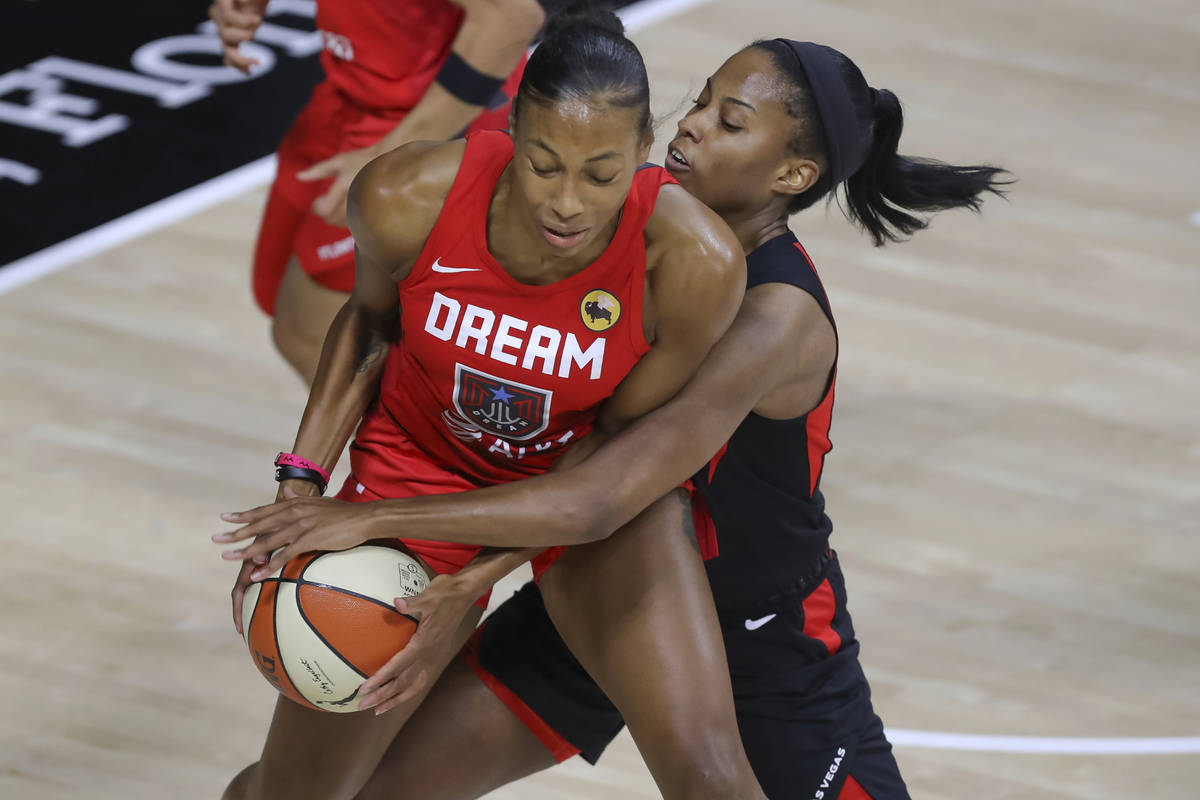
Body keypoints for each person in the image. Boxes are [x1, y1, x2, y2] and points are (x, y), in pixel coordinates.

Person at [219, 38, 1009, 799]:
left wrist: (410, 540)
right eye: (699, 101)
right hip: (596, 581)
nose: (693, 124)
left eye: (730, 121)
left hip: (754, 629)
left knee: (711, 785)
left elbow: (601, 488)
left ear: (795, 172)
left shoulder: (774, 315)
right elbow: (559, 453)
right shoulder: (611, 231)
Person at [217, 9, 769, 800]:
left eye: (602, 175)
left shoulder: (692, 263)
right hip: (420, 467)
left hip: (585, 492)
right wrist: (300, 488)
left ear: (645, 154)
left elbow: (611, 453)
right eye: (544, 165)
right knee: (294, 794)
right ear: (509, 128)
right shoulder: (406, 193)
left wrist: (475, 579)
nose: (569, 203)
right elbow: (370, 326)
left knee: (710, 776)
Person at [209, 0, 547, 381]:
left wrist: (388, 157)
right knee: (276, 295)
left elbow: (513, 15)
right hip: (350, 94)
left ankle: (404, 438)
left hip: (434, 122)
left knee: (310, 336)